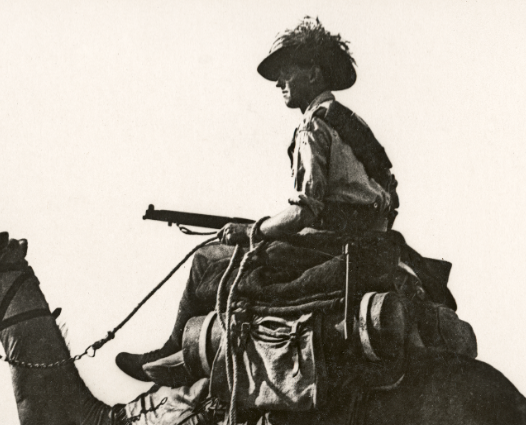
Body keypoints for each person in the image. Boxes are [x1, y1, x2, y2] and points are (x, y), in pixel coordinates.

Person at [116, 17, 399, 383]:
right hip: (365, 244)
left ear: (313, 74)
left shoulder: (313, 126)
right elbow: (386, 197)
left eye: (286, 73)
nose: (280, 83)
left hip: (329, 248)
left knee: (205, 261)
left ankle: (175, 355)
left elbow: (303, 211)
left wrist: (253, 230)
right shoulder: (352, 123)